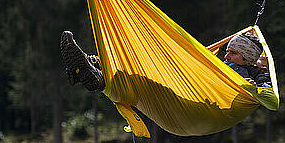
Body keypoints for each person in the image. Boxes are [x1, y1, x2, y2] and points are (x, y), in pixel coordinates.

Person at [60, 29, 271, 92]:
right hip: (188, 76)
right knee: (139, 65)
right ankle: (94, 71)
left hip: (194, 90)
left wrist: (251, 86)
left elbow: (267, 90)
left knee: (143, 74)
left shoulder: (252, 74)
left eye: (232, 53)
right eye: (227, 51)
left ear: (246, 58)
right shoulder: (221, 63)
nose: (226, 56)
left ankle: (94, 72)